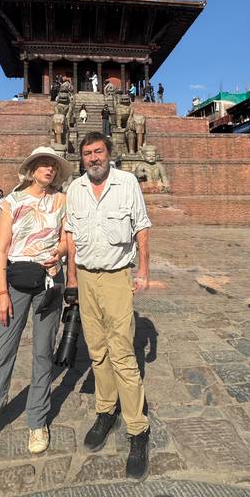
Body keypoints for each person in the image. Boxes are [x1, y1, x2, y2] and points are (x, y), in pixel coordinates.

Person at [0, 146, 73, 460]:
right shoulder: (12, 202)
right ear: (31, 168)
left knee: (42, 353)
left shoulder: (62, 201)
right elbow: (0, 250)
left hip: (50, 281)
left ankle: (37, 420)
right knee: (3, 352)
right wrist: (1, 293)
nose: (49, 169)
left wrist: (61, 252)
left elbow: (67, 238)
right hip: (15, 284)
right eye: (43, 164)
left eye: (53, 165)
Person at [65, 132, 152, 481]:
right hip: (85, 277)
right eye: (87, 153)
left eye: (98, 151)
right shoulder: (75, 189)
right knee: (96, 350)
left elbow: (142, 228)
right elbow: (70, 234)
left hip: (117, 276)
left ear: (109, 153)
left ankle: (137, 429)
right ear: (82, 158)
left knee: (123, 356)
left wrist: (144, 269)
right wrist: (70, 278)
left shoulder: (127, 182)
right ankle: (105, 410)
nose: (93, 158)